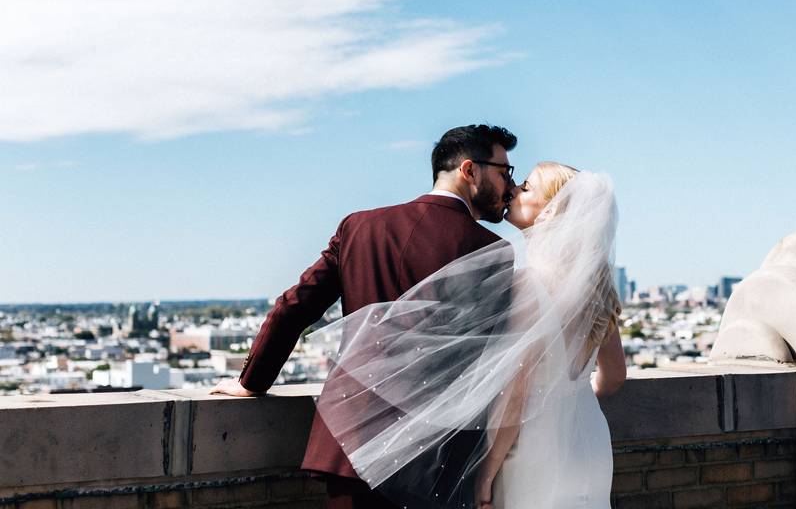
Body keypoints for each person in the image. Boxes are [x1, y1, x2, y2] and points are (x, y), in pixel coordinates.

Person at [210, 124, 518, 509]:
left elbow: (295, 305)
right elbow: (485, 363)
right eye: (505, 172)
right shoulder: (491, 250)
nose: (510, 186)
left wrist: (252, 381)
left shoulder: (360, 226)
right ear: (470, 170)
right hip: (435, 457)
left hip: (350, 444)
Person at [315, 162, 626, 509]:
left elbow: (516, 392)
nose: (513, 190)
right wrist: (571, 395)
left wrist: (487, 474)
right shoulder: (597, 289)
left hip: (536, 445)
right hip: (590, 438)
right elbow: (614, 376)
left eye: (526, 187)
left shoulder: (529, 284)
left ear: (550, 210)